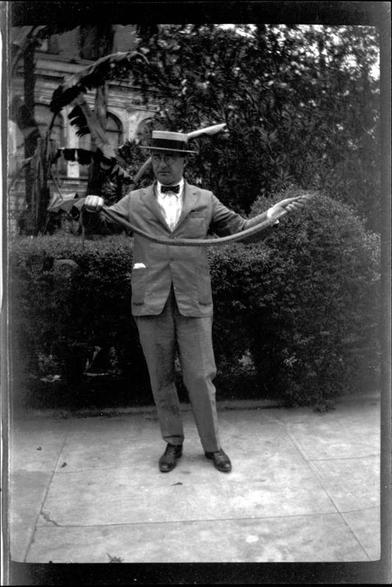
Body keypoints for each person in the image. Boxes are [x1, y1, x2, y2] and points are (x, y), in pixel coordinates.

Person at [83, 130, 307, 474]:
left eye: (169, 158)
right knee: (161, 378)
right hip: (150, 300)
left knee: (201, 376)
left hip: (193, 299)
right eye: (156, 157)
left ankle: (212, 446)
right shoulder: (135, 201)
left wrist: (270, 215)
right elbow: (101, 224)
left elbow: (241, 230)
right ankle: (173, 442)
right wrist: (92, 205)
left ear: (184, 161)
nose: (162, 164)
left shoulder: (205, 199)